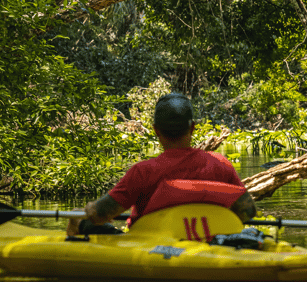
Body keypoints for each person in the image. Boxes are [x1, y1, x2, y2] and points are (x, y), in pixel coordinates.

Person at [67, 93, 257, 236]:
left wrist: (87, 210)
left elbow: (100, 213)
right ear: (192, 128)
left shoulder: (143, 172)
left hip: (152, 245)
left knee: (78, 217)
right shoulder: (221, 164)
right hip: (213, 244)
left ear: (156, 130)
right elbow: (248, 212)